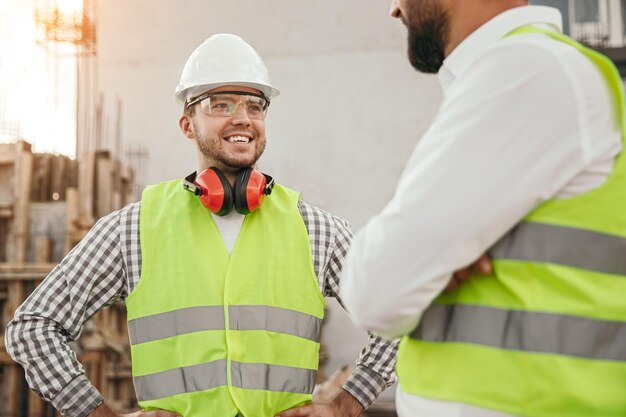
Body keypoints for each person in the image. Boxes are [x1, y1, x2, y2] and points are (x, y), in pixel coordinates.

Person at [5, 33, 398, 417]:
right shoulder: (134, 229)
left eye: (254, 105)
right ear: (187, 124)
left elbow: (403, 313)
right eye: (220, 104)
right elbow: (33, 328)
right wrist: (98, 413)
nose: (242, 118)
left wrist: (346, 405)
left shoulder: (315, 230)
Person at [341, 1, 626, 416]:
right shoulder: (531, 71)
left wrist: (423, 268)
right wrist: (429, 264)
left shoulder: (527, 70)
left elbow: (373, 292)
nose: (393, 9)